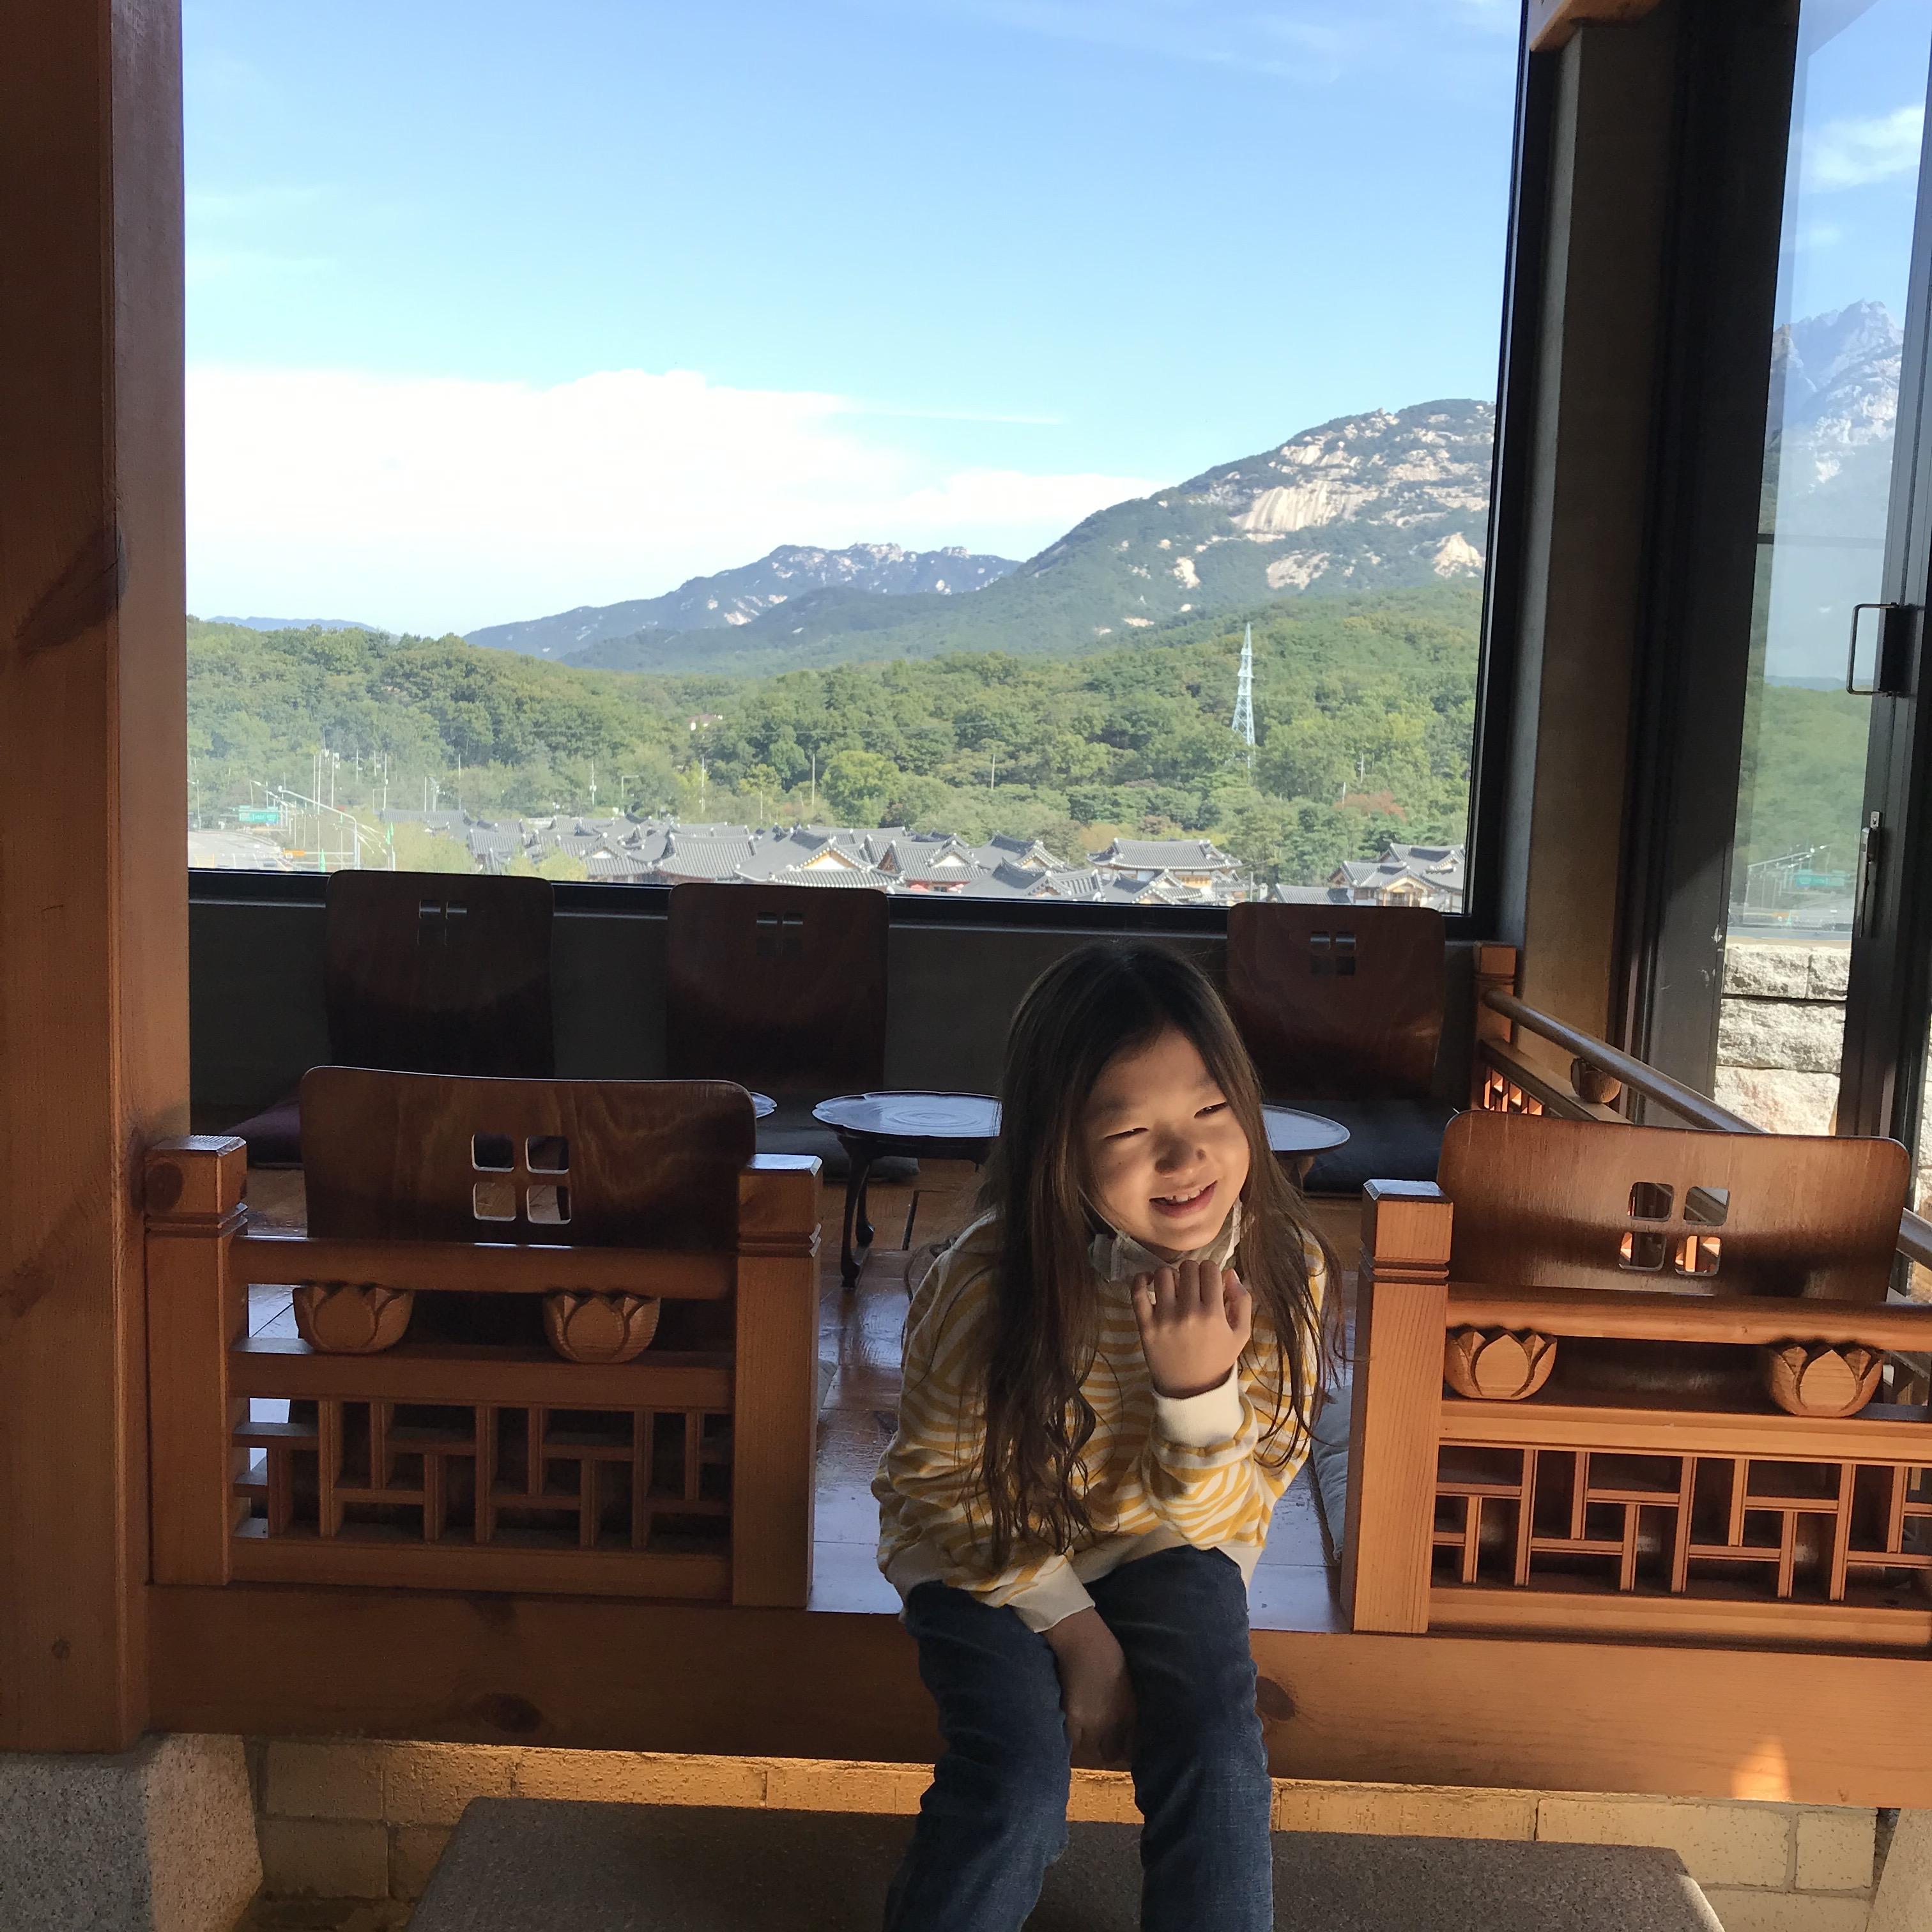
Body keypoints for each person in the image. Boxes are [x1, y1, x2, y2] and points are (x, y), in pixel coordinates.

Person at [875, 940, 1331, 1932]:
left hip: (1165, 1540)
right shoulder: (990, 1284)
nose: (1184, 1157)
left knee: (1219, 1760)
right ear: (1058, 1145)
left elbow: (1233, 1512)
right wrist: (1075, 1631)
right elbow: (944, 1490)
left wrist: (1197, 1390)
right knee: (1015, 1784)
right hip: (983, 1549)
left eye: (1212, 1111)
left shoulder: (1281, 1270)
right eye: (1130, 1129)